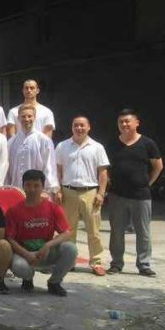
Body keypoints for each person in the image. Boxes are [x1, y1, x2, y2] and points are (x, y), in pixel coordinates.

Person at [107, 109, 162, 277]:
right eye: (121, 122)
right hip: (117, 196)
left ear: (137, 123)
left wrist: (147, 183)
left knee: (143, 232)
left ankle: (144, 264)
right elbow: (105, 167)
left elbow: (158, 166)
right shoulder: (112, 144)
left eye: (127, 121)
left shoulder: (147, 143)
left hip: (141, 196)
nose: (124, 124)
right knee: (116, 232)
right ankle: (116, 264)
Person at [6, 170, 77, 296]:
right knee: (19, 266)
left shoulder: (53, 208)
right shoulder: (13, 211)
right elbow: (9, 238)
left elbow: (66, 232)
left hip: (46, 253)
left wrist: (48, 245)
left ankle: (54, 282)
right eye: (28, 185)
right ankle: (27, 279)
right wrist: (26, 254)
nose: (32, 189)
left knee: (70, 248)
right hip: (24, 254)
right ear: (23, 186)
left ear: (43, 187)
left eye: (36, 185)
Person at [55, 115, 110, 275]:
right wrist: (58, 189)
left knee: (94, 230)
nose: (79, 128)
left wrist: (101, 193)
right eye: (75, 125)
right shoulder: (62, 146)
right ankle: (69, 260)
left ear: (89, 127)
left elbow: (102, 172)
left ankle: (97, 262)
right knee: (68, 230)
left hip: (90, 192)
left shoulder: (97, 147)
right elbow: (58, 170)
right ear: (71, 127)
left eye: (82, 125)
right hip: (68, 191)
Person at [7, 105, 58, 189]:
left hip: (37, 190)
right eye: (23, 116)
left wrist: (49, 188)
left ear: (34, 117)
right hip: (16, 189)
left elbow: (49, 166)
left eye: (29, 116)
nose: (26, 119)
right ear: (18, 118)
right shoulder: (11, 142)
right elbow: (8, 169)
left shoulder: (44, 140)